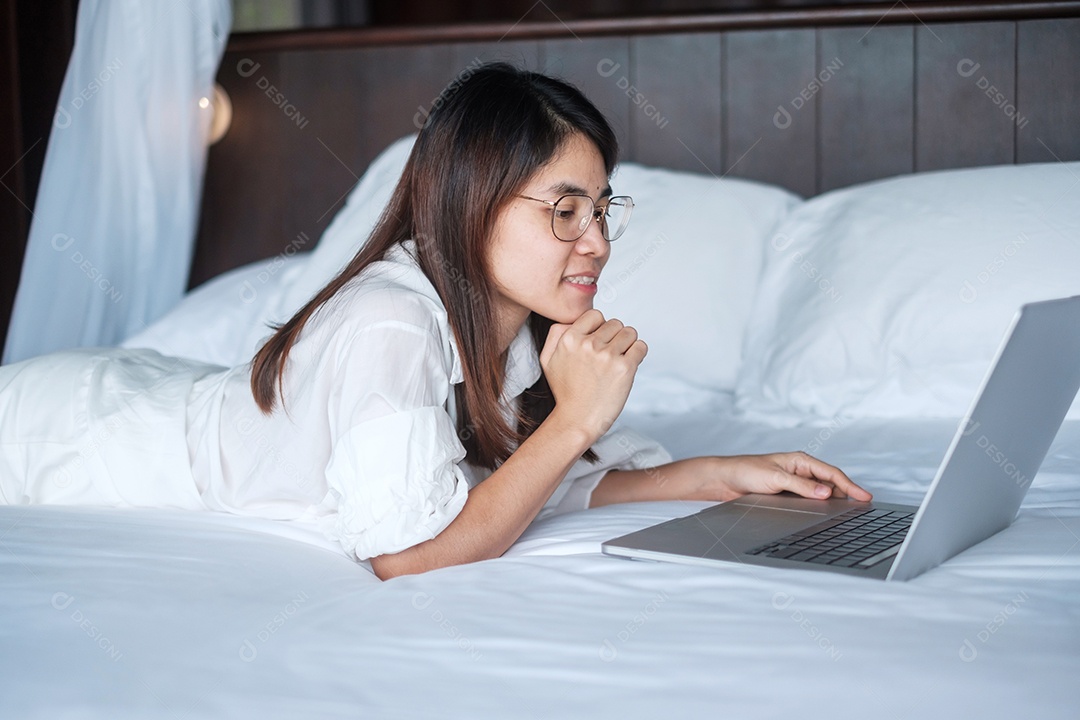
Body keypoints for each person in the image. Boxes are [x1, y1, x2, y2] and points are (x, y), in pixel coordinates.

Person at [0, 63, 870, 580]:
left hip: (162, 399)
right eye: (566, 210)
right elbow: (405, 558)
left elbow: (524, 485)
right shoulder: (392, 320)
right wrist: (573, 422)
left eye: (604, 208)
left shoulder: (515, 329)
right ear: (474, 203)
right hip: (74, 434)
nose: (599, 242)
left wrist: (718, 475)